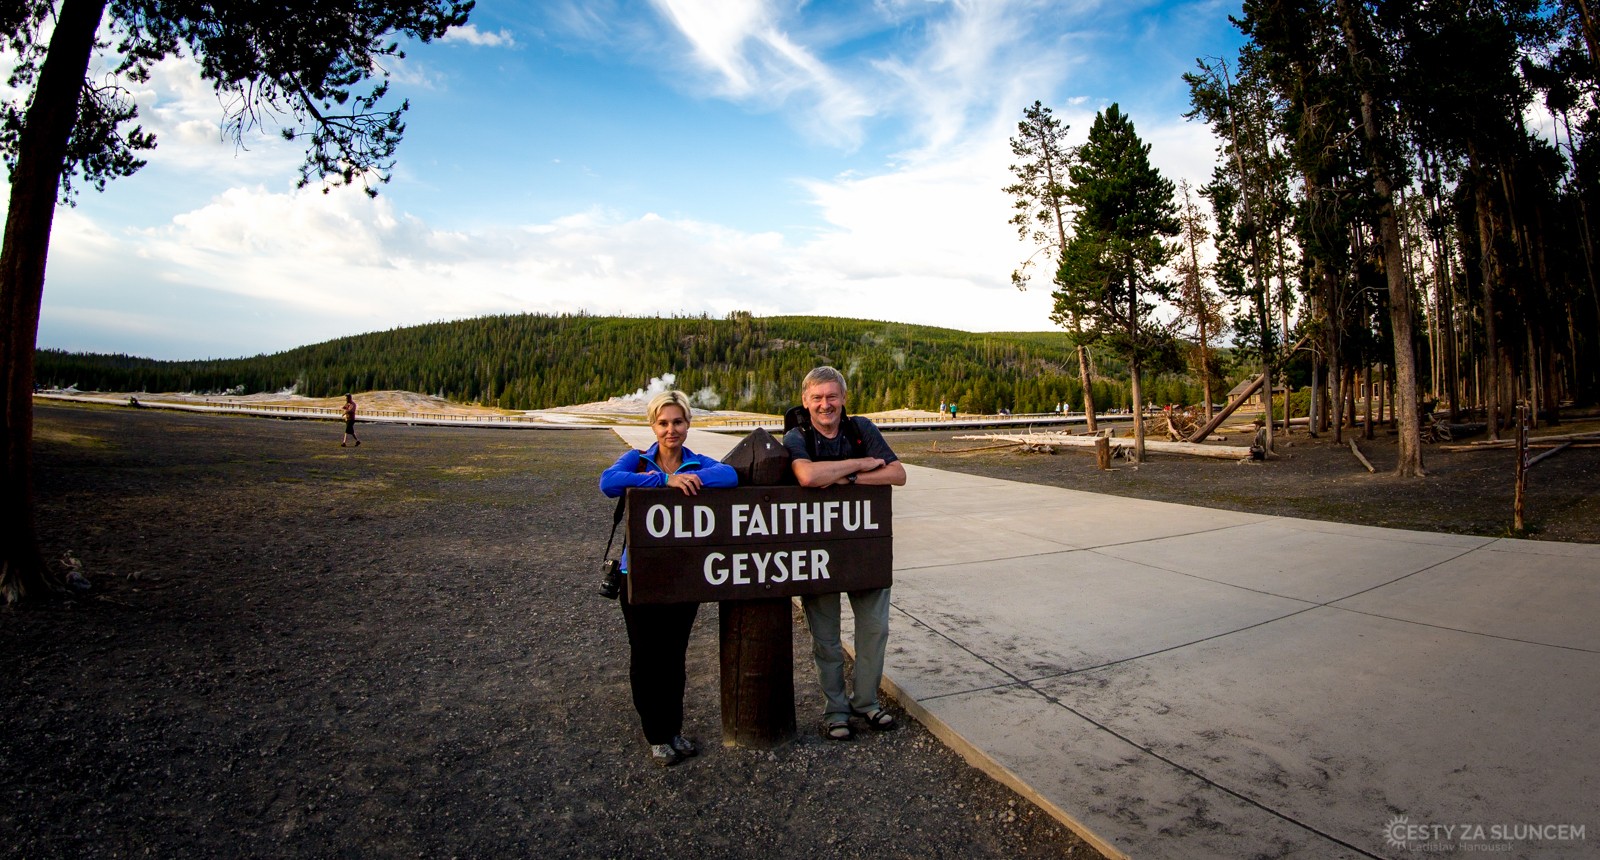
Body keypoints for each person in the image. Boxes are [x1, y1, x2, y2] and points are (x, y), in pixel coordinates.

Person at [599, 390, 737, 766]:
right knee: (647, 654)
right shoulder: (639, 460)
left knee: (674, 654)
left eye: (678, 422)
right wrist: (663, 482)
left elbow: (729, 474)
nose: (670, 429)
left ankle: (673, 728)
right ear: (652, 425)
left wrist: (685, 477)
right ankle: (656, 734)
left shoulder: (696, 462)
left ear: (688, 424)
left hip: (682, 575)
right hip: (638, 574)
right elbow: (608, 482)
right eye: (663, 423)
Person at [782, 366, 907, 741]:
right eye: (817, 398)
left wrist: (841, 479)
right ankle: (835, 709)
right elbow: (806, 476)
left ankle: (866, 702)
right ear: (806, 401)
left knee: (874, 629)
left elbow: (897, 474)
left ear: (843, 398)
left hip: (864, 551)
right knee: (827, 637)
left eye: (832, 396)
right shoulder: (796, 435)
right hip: (817, 552)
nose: (825, 405)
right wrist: (859, 464)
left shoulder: (861, 429)